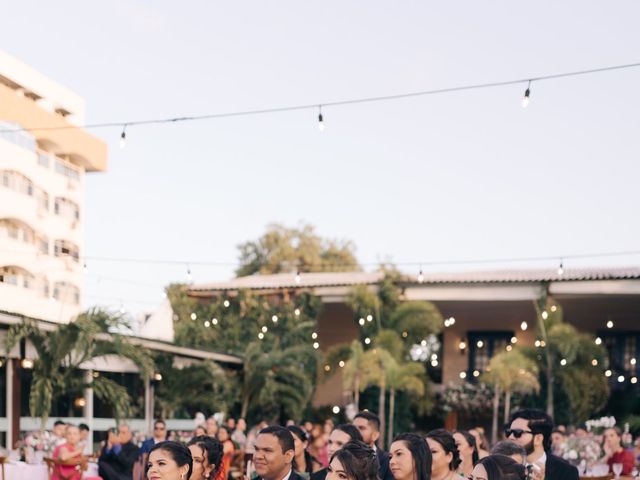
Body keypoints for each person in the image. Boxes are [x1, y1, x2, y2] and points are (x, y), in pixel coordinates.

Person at [506, 409, 578, 480]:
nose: (510, 437)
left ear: (538, 439)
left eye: (517, 433)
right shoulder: (501, 468)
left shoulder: (566, 471)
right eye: (509, 432)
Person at [352, 411, 393, 480]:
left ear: (375, 435)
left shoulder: (387, 461)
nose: (355, 431)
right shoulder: (342, 456)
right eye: (353, 428)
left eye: (361, 428)